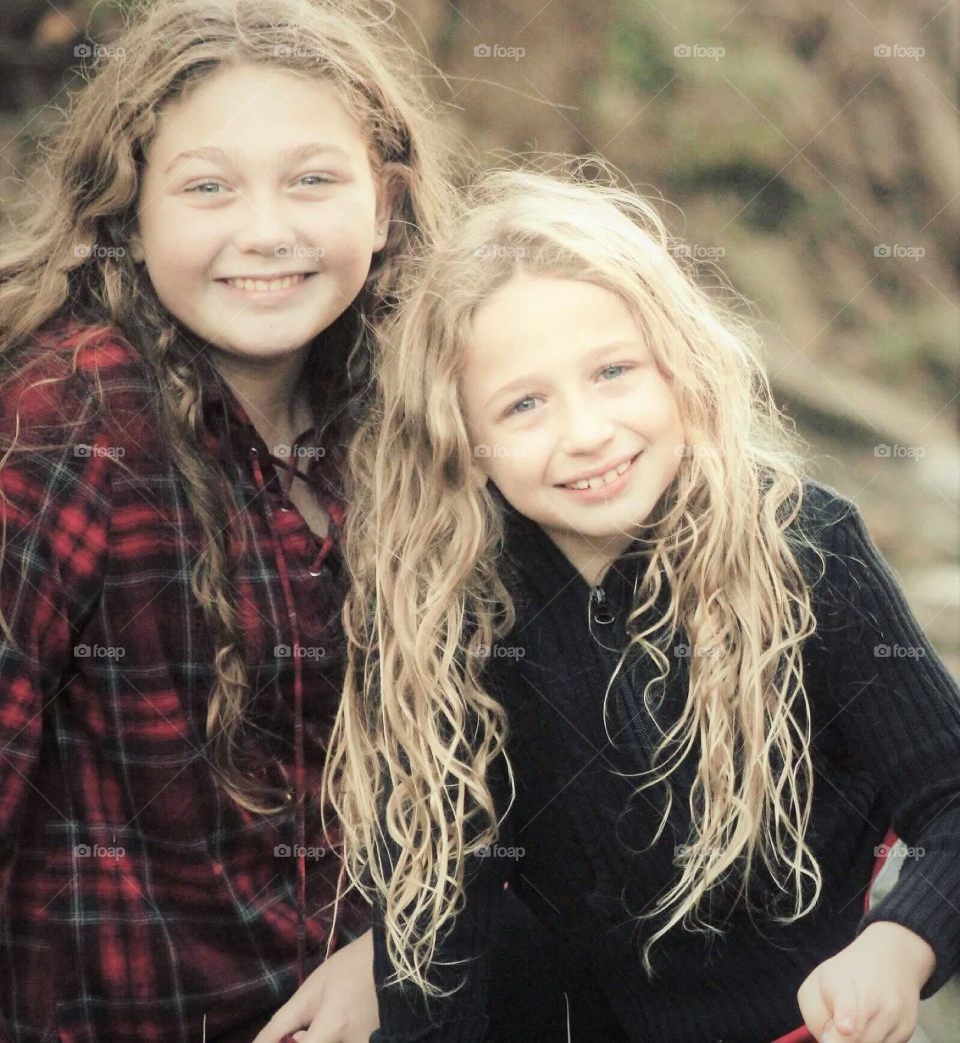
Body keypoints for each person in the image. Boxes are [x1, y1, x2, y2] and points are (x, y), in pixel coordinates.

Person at [326, 168, 960, 1043]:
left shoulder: (805, 550)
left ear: (680, 368)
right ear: (464, 444)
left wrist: (901, 942)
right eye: (525, 403)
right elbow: (436, 920)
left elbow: (951, 798)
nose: (586, 431)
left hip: (830, 1026)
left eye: (614, 371)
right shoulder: (452, 616)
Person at [0, 0, 453, 1041]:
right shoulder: (67, 428)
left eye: (311, 181)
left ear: (384, 205)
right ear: (128, 208)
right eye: (208, 187)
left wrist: (388, 947)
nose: (266, 231)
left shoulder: (412, 416)